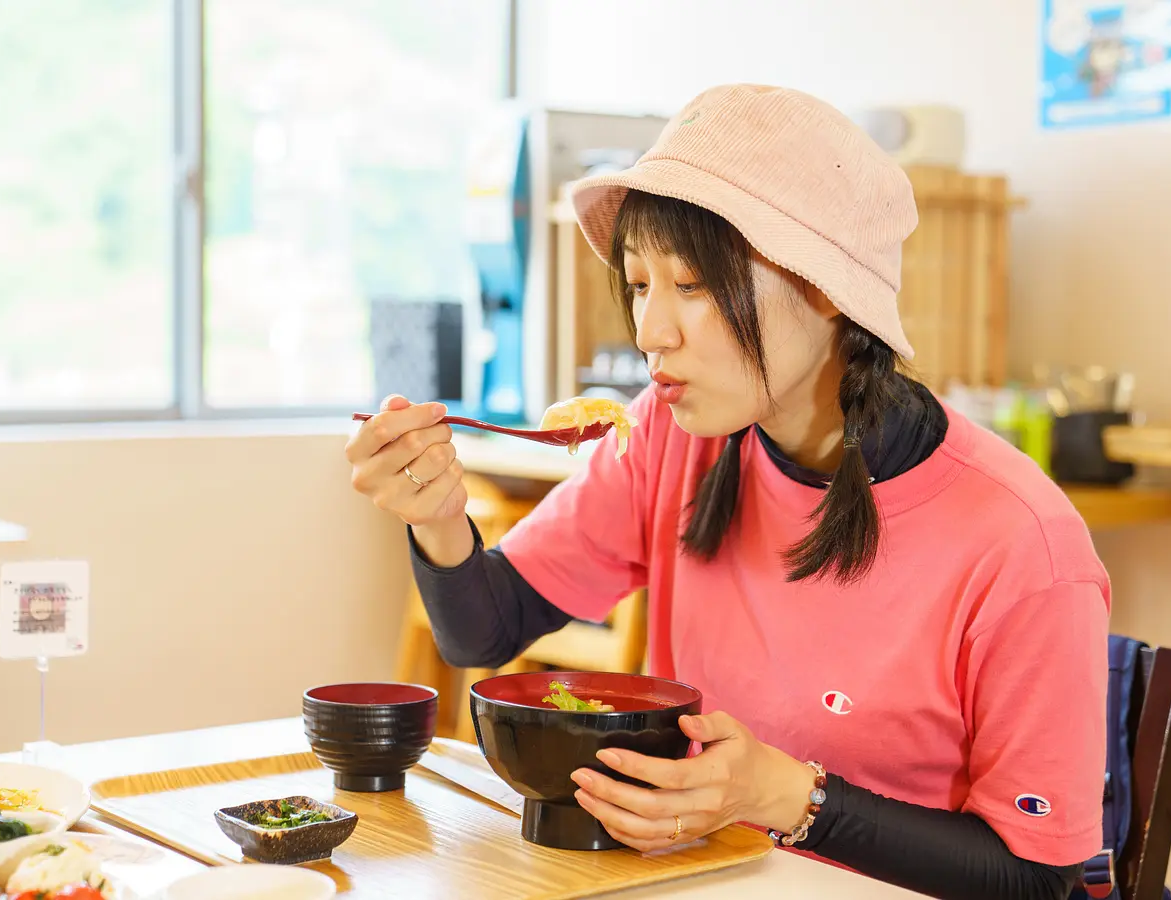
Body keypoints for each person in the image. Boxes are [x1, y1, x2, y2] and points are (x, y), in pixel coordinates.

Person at [346, 84, 1109, 900]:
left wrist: (787, 796)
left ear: (822, 289)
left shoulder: (1018, 541)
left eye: (692, 285)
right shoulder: (674, 437)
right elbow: (485, 629)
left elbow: (1042, 879)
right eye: (639, 285)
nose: (648, 333)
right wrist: (437, 519)